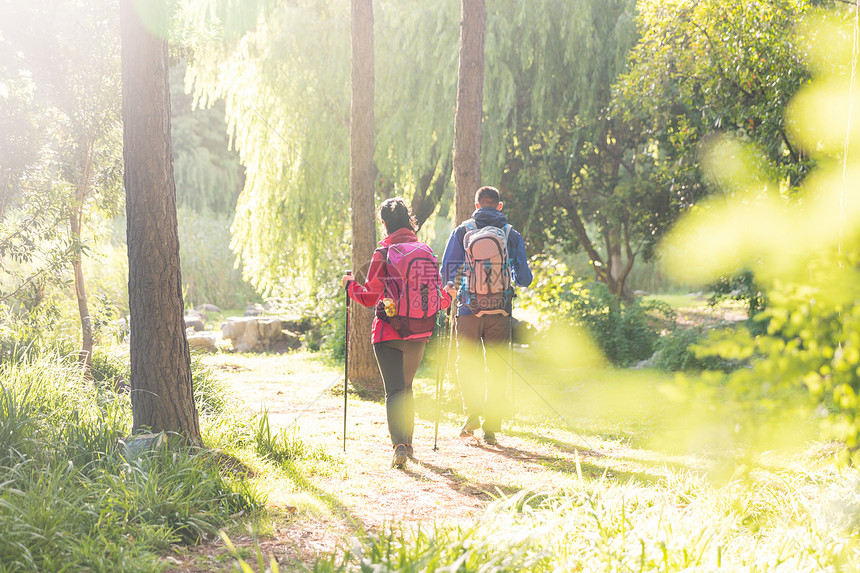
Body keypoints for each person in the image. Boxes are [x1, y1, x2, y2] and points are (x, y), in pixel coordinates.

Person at [341, 197, 454, 469]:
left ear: (384, 224)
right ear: (409, 220)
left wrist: (349, 286)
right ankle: (410, 445)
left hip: (388, 333)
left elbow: (370, 298)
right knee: (407, 388)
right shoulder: (426, 252)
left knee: (394, 391)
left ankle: (399, 446)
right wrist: (448, 298)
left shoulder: (383, 254)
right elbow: (436, 298)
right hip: (418, 332)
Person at [440, 186, 532, 445]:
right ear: (499, 206)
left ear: (476, 205)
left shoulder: (462, 231)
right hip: (500, 309)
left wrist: (451, 288)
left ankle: (472, 413)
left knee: (468, 361)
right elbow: (524, 279)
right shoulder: (510, 234)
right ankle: (492, 422)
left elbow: (446, 272)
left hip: (469, 307)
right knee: (497, 364)